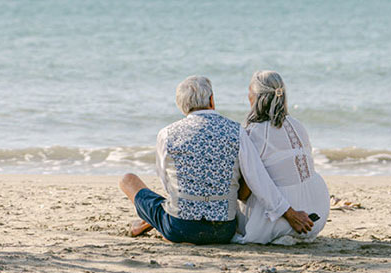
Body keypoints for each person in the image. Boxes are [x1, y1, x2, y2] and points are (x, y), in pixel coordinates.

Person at [118, 75, 314, 244]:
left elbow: (167, 182)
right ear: (212, 100)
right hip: (223, 230)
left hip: (180, 228)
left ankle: (153, 224)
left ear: (182, 106)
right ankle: (155, 225)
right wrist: (288, 213)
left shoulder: (166, 134)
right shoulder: (236, 131)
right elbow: (258, 178)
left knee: (127, 180)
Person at [235, 70, 330, 244]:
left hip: (289, 219)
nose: (247, 96)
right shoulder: (298, 125)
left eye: (249, 91)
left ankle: (281, 230)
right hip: (316, 216)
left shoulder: (254, 132)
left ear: (255, 97)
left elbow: (247, 190)